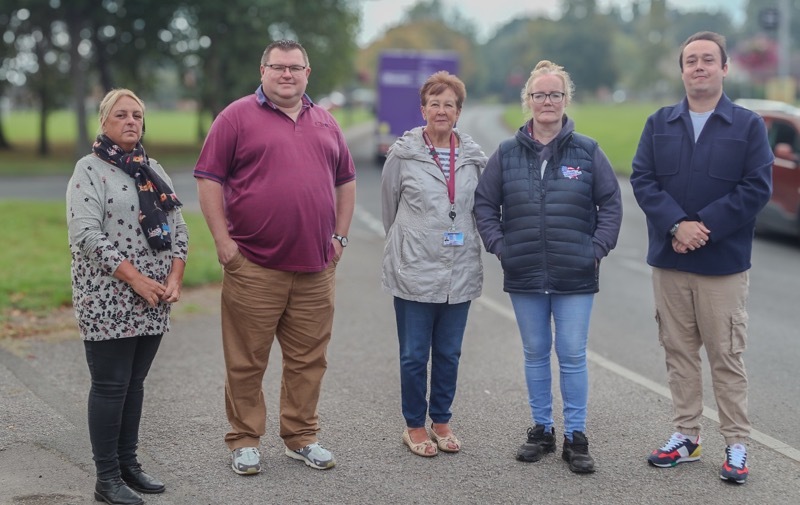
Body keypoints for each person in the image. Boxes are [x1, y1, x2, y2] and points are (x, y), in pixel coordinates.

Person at [194, 39, 356, 476]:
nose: (287, 74)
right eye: (278, 67)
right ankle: (244, 440)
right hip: (254, 265)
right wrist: (223, 242)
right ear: (262, 70)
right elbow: (208, 178)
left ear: (308, 73)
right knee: (247, 358)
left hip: (316, 267)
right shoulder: (236, 116)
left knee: (309, 359)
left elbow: (346, 181)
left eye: (295, 67)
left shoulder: (326, 122)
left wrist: (340, 237)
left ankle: (301, 436)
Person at [630, 31, 772, 485]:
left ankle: (736, 442)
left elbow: (756, 188)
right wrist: (676, 225)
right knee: (678, 353)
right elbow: (643, 179)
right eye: (690, 60)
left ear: (725, 68)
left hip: (722, 266)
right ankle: (686, 435)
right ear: (682, 69)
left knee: (726, 355)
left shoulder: (747, 126)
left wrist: (701, 227)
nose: (698, 67)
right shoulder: (659, 122)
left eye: (708, 60)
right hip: (670, 262)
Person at [474, 60, 622, 474]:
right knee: (535, 353)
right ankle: (542, 428)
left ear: (565, 100)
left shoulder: (588, 151)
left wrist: (597, 248)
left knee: (572, 354)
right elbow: (484, 204)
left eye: (555, 94)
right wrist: (501, 246)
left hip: (575, 274)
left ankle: (576, 436)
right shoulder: (506, 152)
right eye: (539, 95)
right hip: (524, 273)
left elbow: (610, 203)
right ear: (529, 101)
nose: (547, 102)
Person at [67, 88, 188, 505]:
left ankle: (128, 465)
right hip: (108, 297)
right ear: (104, 122)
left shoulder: (152, 169)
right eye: (121, 115)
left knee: (135, 383)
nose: (131, 121)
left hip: (154, 297)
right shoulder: (89, 170)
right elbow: (86, 235)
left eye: (137, 114)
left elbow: (178, 227)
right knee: (111, 385)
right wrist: (135, 278)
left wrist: (175, 276)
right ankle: (106, 479)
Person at [381, 71, 488, 457]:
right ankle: (414, 426)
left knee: (448, 352)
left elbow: (482, 209)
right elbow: (388, 210)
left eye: (449, 104)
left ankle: (441, 420)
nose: (441, 110)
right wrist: (411, 243)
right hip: (413, 269)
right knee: (413, 354)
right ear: (423, 109)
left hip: (458, 269)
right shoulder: (403, 154)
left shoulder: (475, 158)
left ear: (459, 112)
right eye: (434, 103)